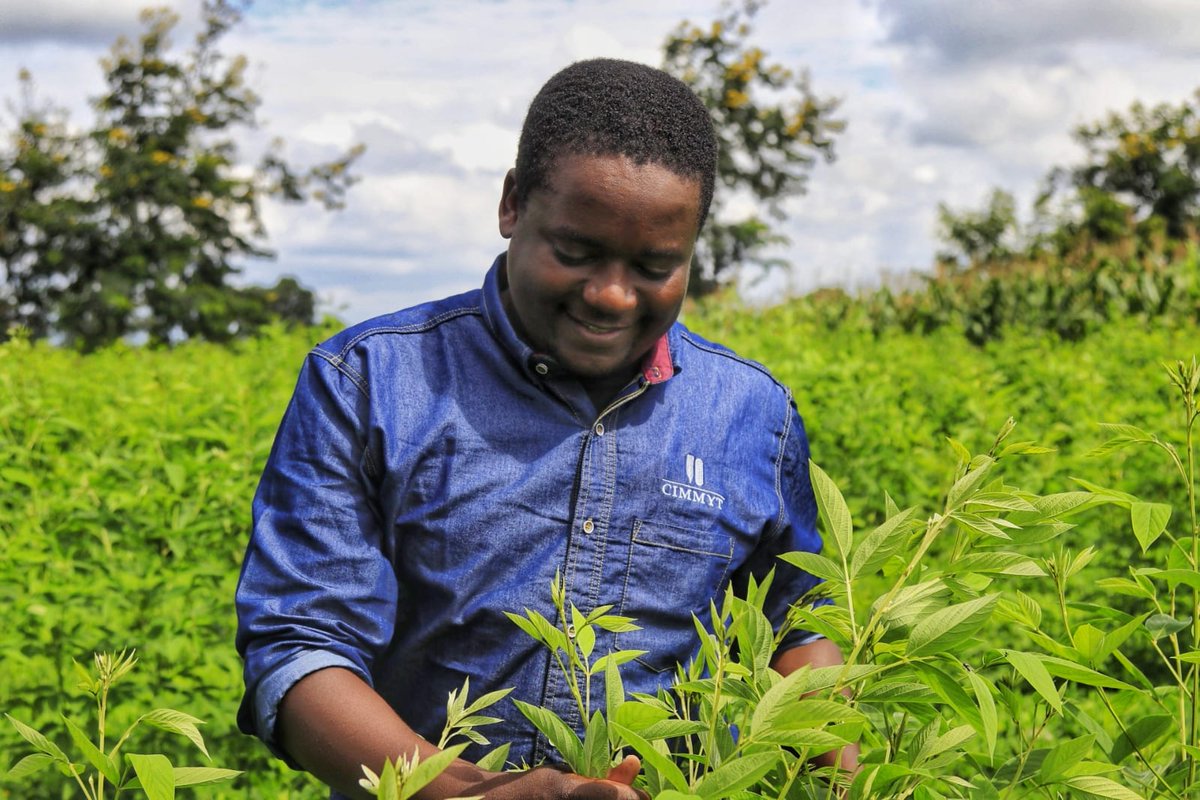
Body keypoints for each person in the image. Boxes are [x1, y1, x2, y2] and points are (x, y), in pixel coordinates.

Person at [236, 58, 852, 800]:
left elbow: (794, 630)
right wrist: (471, 795)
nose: (613, 296)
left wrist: (858, 779)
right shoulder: (369, 383)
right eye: (576, 252)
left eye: (656, 266)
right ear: (511, 204)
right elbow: (301, 651)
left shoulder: (754, 417)